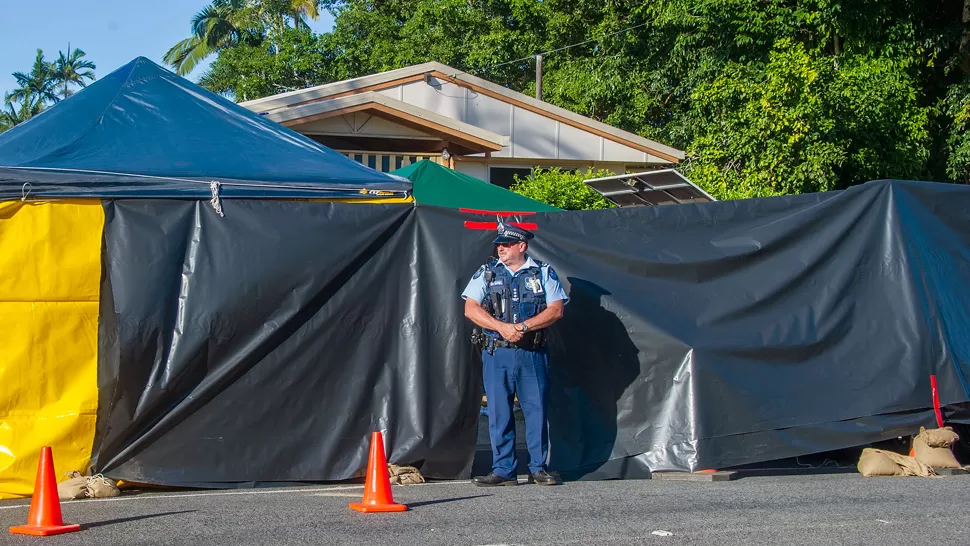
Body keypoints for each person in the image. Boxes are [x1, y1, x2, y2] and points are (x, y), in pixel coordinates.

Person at [461, 222, 568, 486]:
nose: (501, 249)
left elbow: (555, 309)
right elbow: (470, 309)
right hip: (498, 353)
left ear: (522, 246)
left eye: (506, 245)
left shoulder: (543, 272)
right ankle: (503, 470)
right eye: (499, 245)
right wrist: (502, 328)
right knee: (499, 412)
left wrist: (522, 327)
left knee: (536, 410)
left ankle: (538, 468)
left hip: (531, 352)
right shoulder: (487, 273)